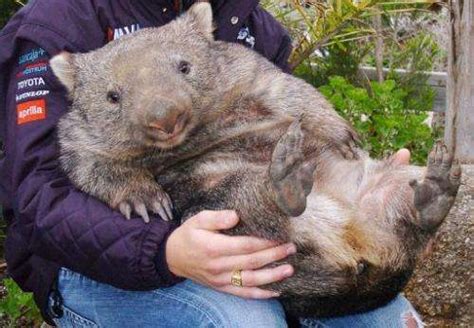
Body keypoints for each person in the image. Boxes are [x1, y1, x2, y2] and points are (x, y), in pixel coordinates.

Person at [0, 0, 422, 327]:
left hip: (247, 225)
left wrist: (364, 198)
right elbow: (39, 199)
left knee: (383, 318)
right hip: (94, 260)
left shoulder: (242, 19)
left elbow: (283, 118)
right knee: (242, 321)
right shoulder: (56, 25)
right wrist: (164, 252)